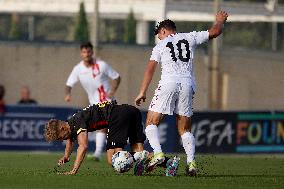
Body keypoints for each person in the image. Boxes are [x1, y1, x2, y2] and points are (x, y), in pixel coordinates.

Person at [135, 11, 229, 176]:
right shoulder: (190, 37)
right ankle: (191, 163)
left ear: (164, 31)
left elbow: (150, 69)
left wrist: (142, 91)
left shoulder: (160, 46)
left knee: (151, 122)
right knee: (185, 129)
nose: (159, 38)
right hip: (187, 84)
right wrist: (220, 21)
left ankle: (158, 153)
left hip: (168, 83)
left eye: (159, 35)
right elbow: (215, 31)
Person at [44, 101, 179, 176]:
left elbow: (83, 146)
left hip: (116, 116)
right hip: (130, 111)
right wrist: (66, 156)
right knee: (138, 154)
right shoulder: (72, 123)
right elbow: (70, 139)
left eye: (59, 137)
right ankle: (169, 163)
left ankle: (142, 156)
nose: (61, 139)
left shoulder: (77, 122)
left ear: (62, 128)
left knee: (112, 159)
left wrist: (74, 170)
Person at [65, 42, 121, 161]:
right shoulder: (78, 69)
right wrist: (67, 94)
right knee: (105, 129)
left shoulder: (101, 65)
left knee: (102, 127)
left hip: (107, 101)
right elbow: (69, 84)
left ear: (92, 52)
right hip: (94, 104)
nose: (87, 54)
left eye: (89, 52)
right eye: (84, 52)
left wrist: (112, 90)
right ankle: (104, 153)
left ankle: (98, 153)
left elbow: (117, 77)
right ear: (81, 53)